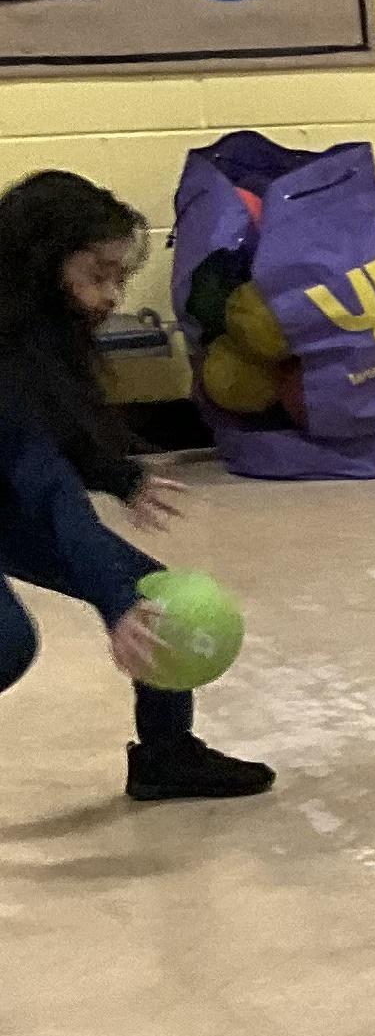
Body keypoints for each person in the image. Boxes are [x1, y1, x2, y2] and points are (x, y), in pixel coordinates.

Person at [0, 168, 271, 803]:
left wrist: (118, 476)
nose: (112, 296)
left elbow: (49, 439)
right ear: (41, 265)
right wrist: (112, 600)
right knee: (8, 644)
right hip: (17, 502)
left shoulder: (40, 334)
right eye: (98, 275)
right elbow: (48, 489)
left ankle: (166, 757)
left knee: (158, 600)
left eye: (120, 277)